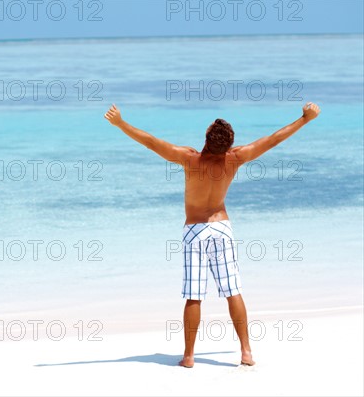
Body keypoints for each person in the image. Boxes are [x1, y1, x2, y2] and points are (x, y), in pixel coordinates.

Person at [104, 102, 321, 367]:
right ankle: (246, 352)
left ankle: (188, 356)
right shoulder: (236, 158)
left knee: (194, 295)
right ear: (227, 145)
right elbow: (272, 140)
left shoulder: (189, 158)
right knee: (233, 291)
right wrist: (305, 119)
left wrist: (120, 123)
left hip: (195, 230)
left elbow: (150, 141)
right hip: (221, 227)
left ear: (206, 139)